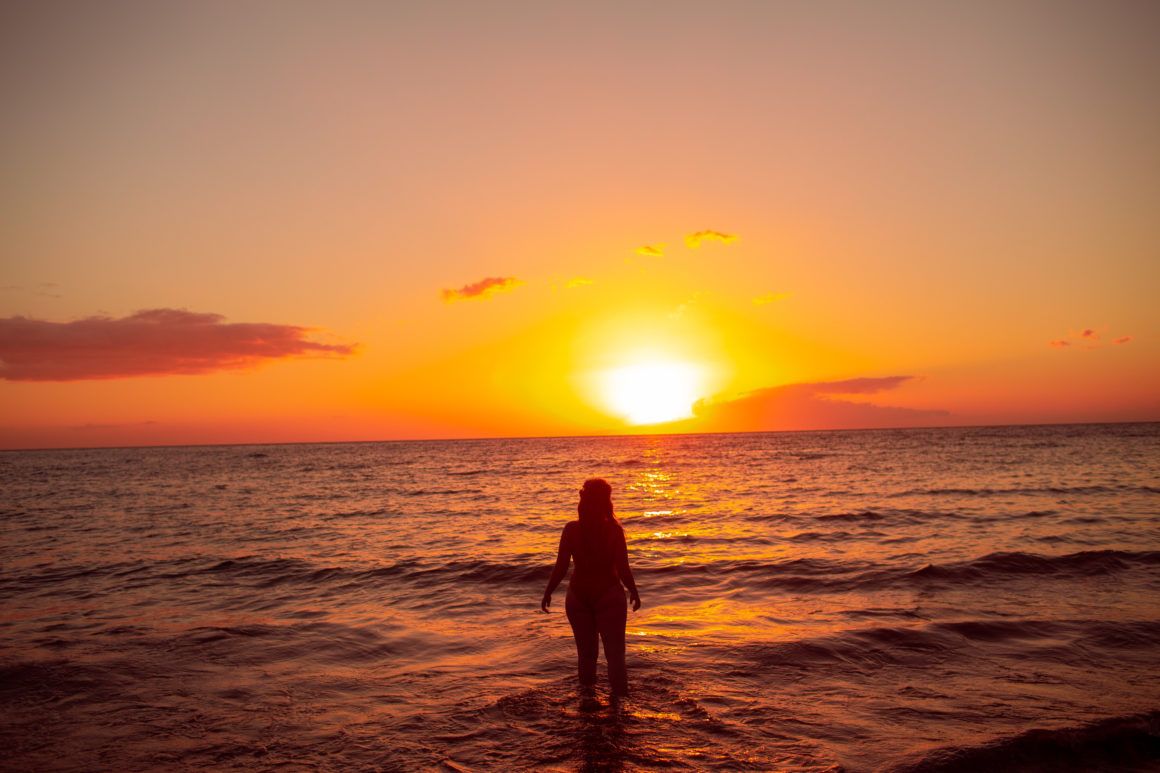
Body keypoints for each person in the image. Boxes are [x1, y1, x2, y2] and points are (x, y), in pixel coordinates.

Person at [541, 478, 641, 702]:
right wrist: (633, 591)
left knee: (586, 657)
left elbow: (561, 566)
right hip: (608, 594)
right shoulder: (614, 531)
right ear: (607, 501)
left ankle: (587, 707)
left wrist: (548, 591)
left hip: (577, 596)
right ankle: (620, 708)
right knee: (615, 656)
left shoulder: (571, 529)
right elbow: (623, 568)